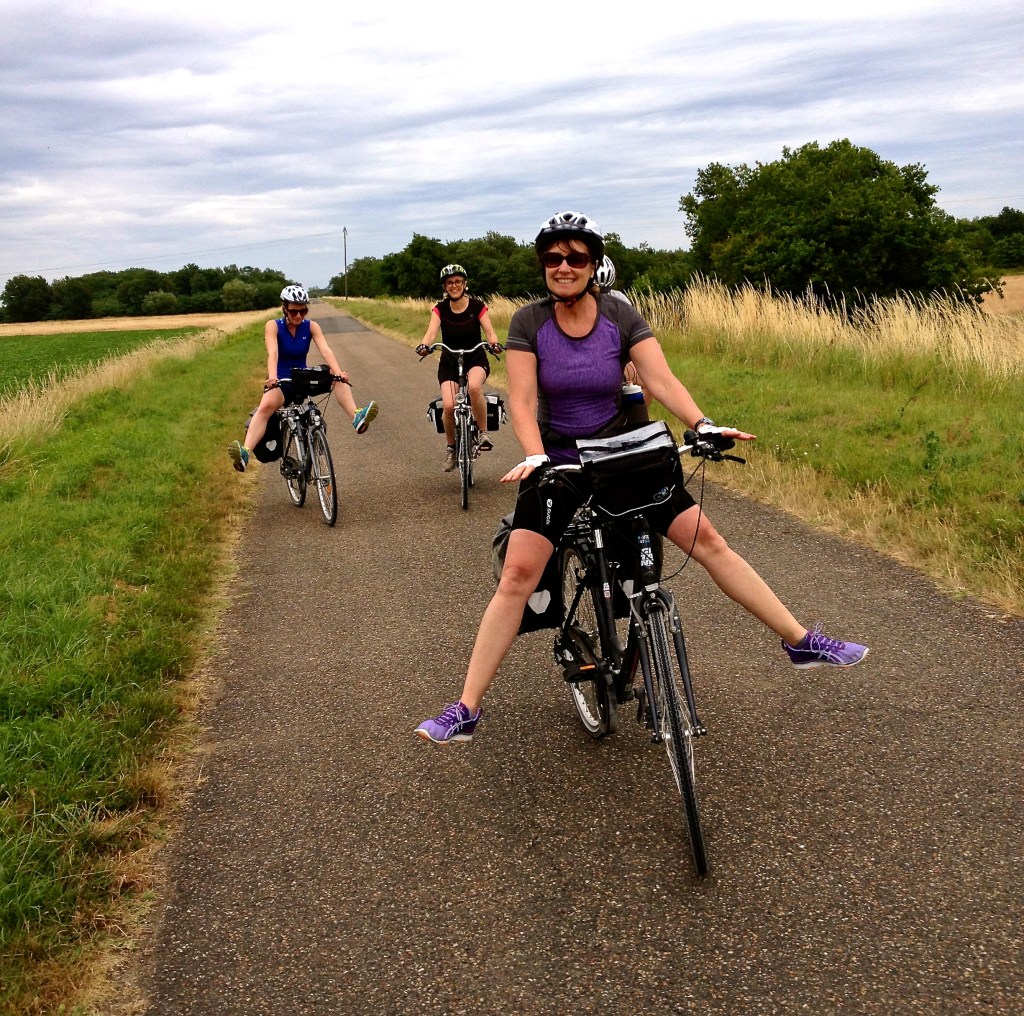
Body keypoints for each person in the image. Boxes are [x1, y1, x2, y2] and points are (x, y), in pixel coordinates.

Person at [415, 211, 869, 744]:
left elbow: (660, 378)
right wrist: (536, 456)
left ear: (591, 263)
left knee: (708, 539)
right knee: (518, 574)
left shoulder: (620, 316)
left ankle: (798, 640)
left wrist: (701, 424)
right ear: (543, 265)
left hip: (625, 453)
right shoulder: (528, 322)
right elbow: (521, 398)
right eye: (553, 258)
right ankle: (466, 708)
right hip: (560, 460)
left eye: (575, 257)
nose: (563, 266)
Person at [228, 285, 378, 472]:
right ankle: (245, 452)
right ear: (284, 308)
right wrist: (273, 377)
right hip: (283, 381)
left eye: (303, 311)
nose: (299, 316)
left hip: (303, 378)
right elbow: (272, 353)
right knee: (266, 406)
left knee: (337, 378)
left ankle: (356, 416)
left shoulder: (311, 326)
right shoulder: (273, 326)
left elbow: (325, 350)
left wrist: (339, 371)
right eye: (294, 311)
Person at [416, 264, 503, 471]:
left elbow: (490, 332)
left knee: (473, 388)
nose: (454, 286)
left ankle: (482, 433)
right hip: (449, 362)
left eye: (457, 281)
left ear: (465, 284)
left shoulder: (477, 306)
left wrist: (494, 344)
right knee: (448, 406)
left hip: (475, 359)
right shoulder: (440, 309)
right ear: (444, 287)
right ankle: (452, 448)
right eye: (449, 283)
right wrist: (424, 346)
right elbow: (430, 333)